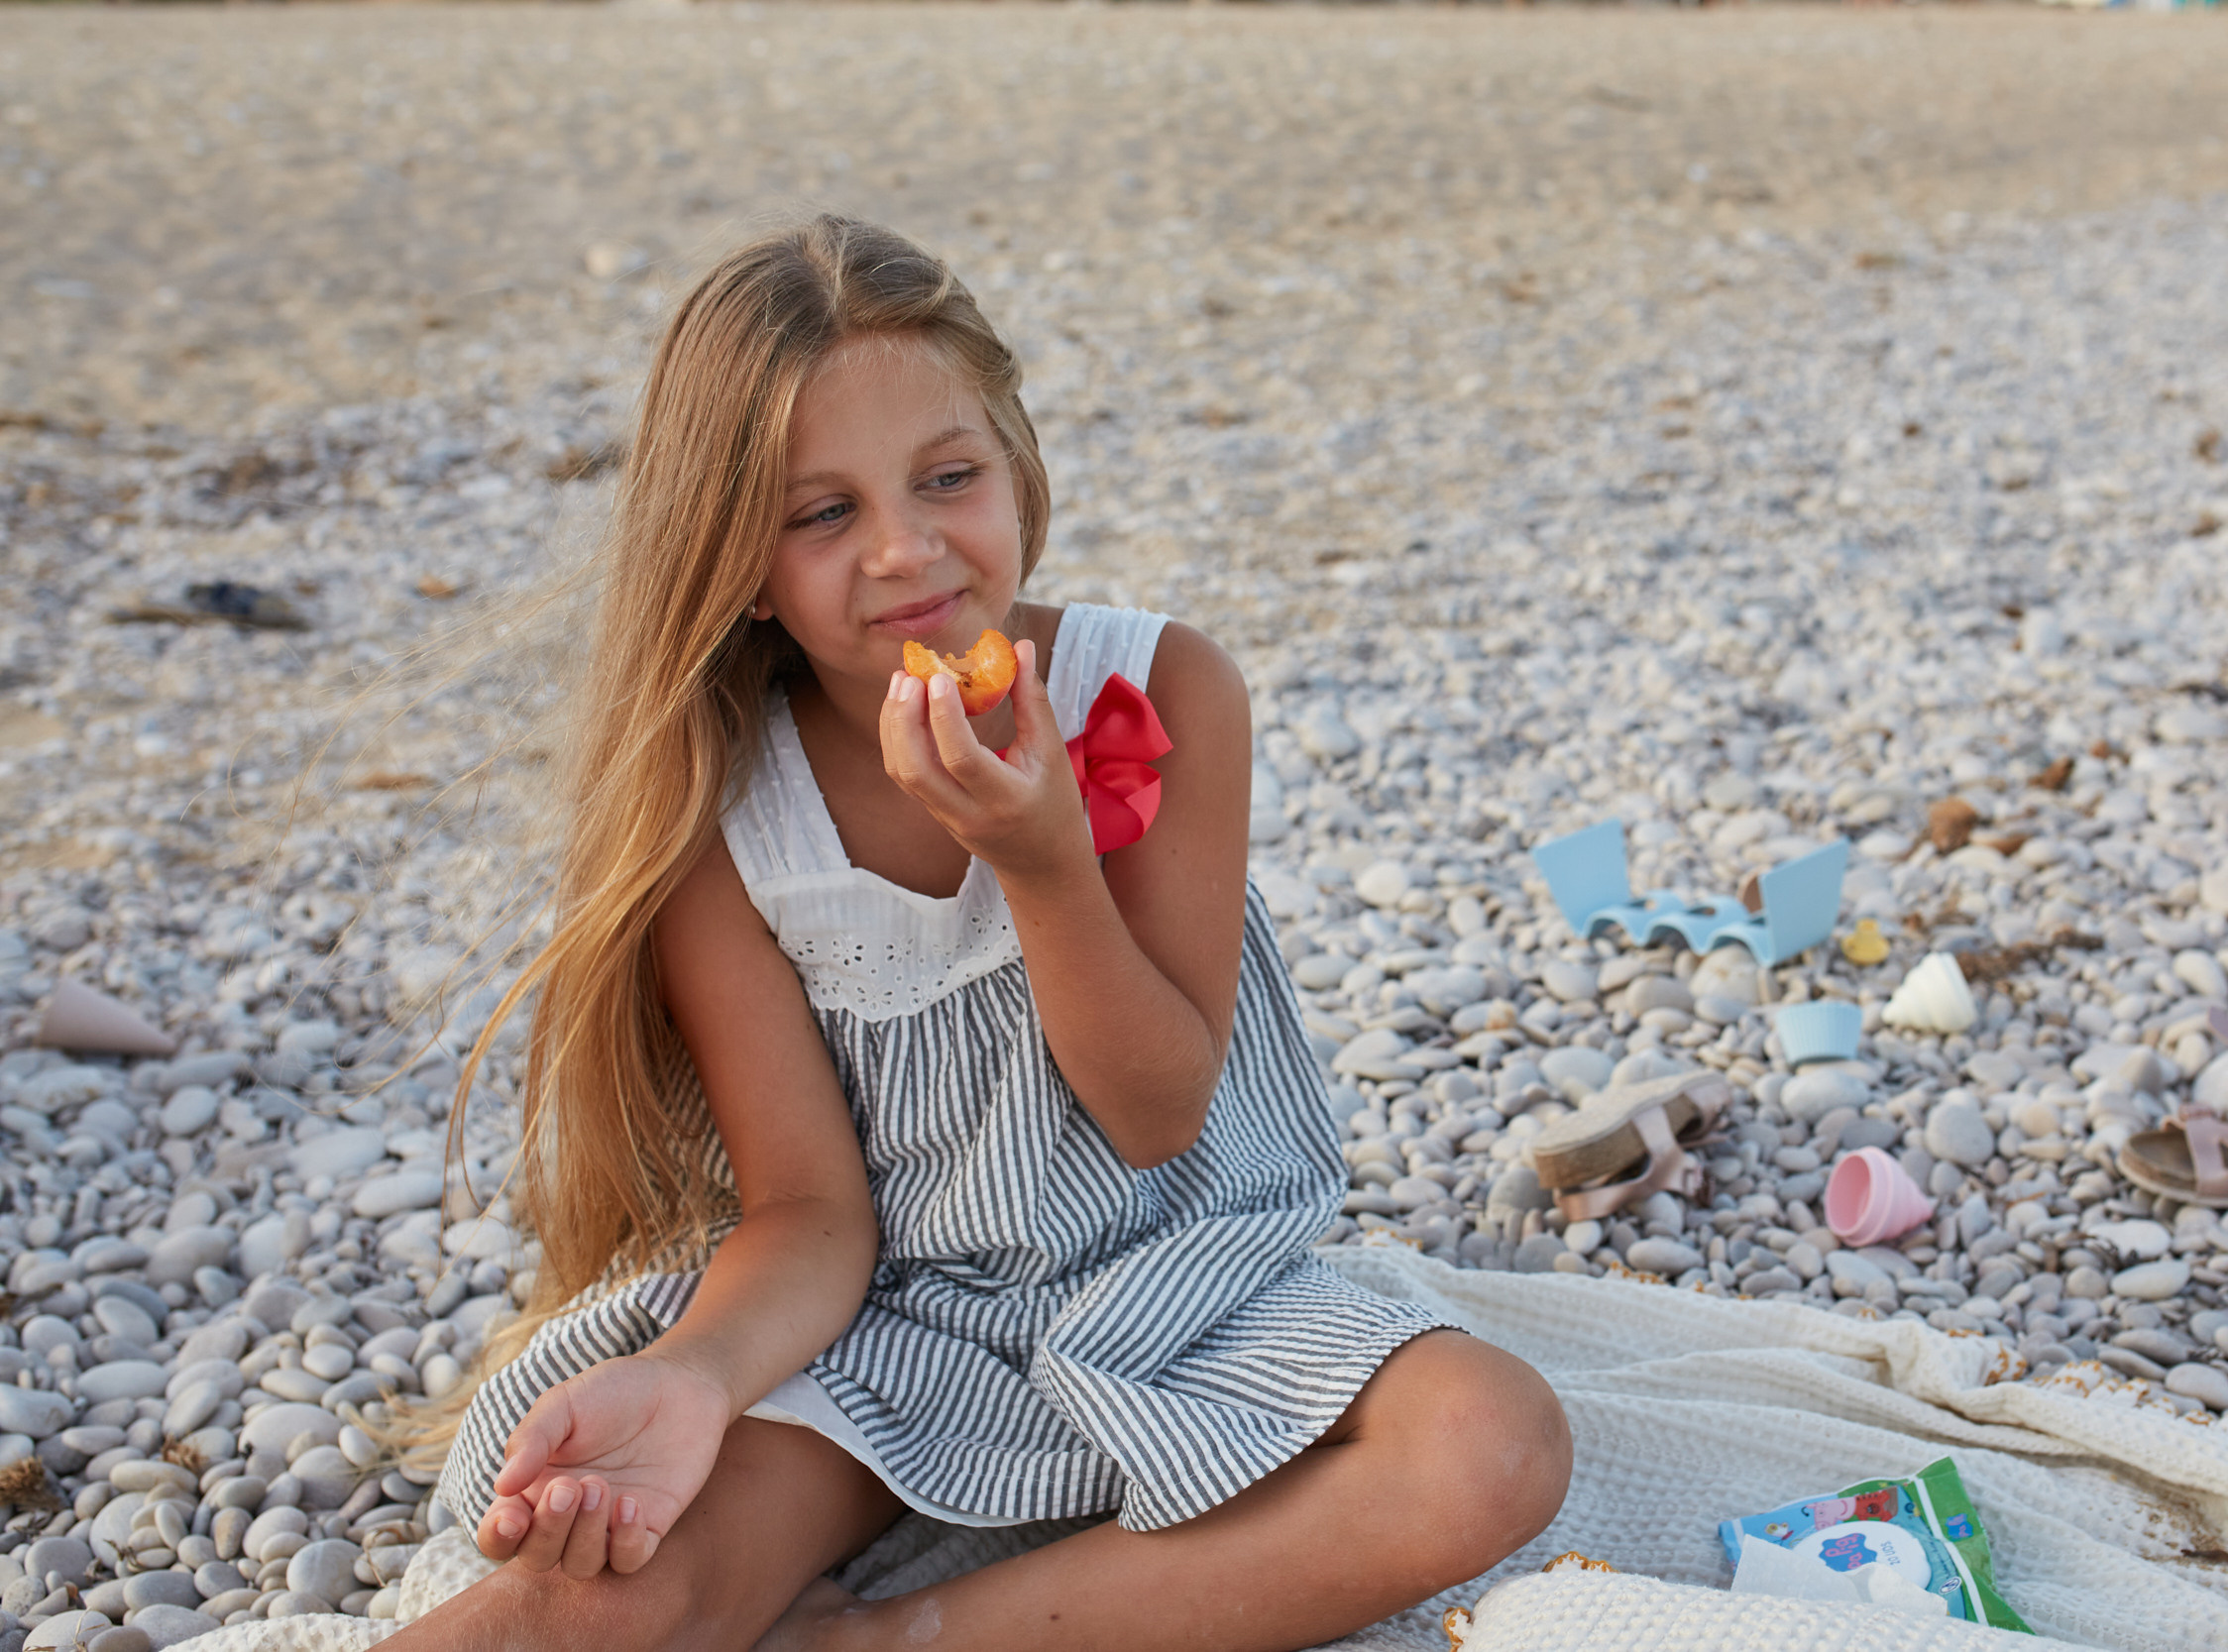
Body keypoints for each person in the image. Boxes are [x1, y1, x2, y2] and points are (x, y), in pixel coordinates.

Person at [399, 213, 1570, 1652]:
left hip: (1194, 1280)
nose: (904, 549)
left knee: (1492, 1448)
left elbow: (1157, 1114)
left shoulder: (1163, 691)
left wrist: (1044, 864)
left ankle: (906, 1636)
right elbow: (813, 1217)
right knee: (598, 1594)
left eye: (946, 477)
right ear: (739, 562)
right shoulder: (730, 822)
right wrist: (699, 1375)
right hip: (899, 1326)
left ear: (1017, 464)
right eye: (820, 513)